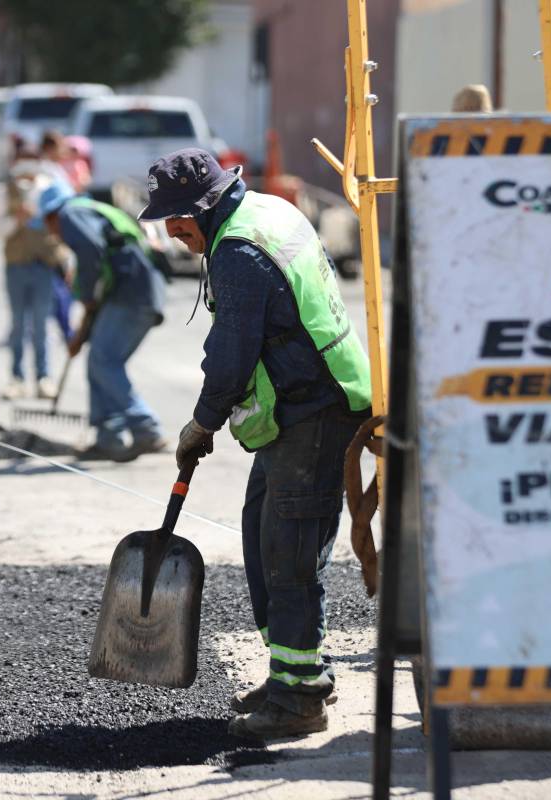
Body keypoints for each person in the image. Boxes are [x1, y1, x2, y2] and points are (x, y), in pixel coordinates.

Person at [139, 149, 372, 739]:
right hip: (295, 410)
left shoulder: (241, 253)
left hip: (315, 410)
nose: (171, 230)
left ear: (207, 205)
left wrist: (202, 424)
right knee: (262, 537)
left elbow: (232, 357)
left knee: (289, 556)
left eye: (177, 218)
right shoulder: (264, 210)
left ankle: (299, 702)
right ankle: (295, 672)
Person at [38, 182, 167, 461]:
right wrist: (81, 334)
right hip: (138, 291)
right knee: (99, 360)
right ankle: (108, 436)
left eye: (48, 225)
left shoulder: (70, 214)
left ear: (51, 215)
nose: (52, 232)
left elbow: (90, 251)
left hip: (131, 293)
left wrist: (86, 293)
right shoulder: (92, 211)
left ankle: (146, 427)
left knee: (103, 360)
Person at [0, 139, 71, 399]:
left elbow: (64, 225)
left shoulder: (50, 188)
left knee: (41, 325)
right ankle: (16, 378)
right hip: (16, 266)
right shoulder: (4, 191)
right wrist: (17, 220)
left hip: (43, 266)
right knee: (18, 323)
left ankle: (44, 377)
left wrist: (66, 262)